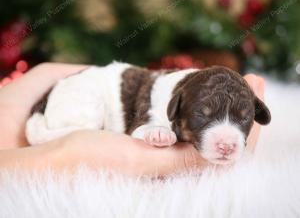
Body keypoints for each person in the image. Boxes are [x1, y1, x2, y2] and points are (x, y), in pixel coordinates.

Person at [0, 63, 265, 176]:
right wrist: (153, 132)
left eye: (242, 120)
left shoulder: (186, 94)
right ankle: (59, 133)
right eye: (204, 117)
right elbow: (142, 129)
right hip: (82, 93)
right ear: (177, 107)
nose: (227, 142)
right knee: (90, 105)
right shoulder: (165, 100)